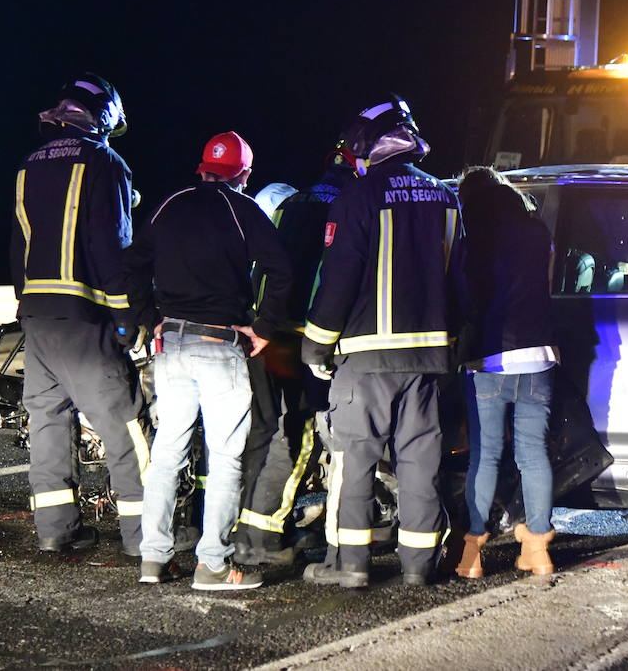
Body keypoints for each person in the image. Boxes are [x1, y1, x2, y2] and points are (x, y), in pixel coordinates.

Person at [299, 97, 465, 588]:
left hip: (366, 358)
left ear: (369, 144)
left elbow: (338, 278)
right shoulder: (446, 196)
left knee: (356, 459)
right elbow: (461, 282)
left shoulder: (358, 195)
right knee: (420, 460)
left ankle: (351, 566)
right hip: (429, 357)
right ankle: (418, 567)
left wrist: (315, 344)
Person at [124, 131, 293, 591]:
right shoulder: (245, 210)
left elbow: (131, 265)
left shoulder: (170, 203)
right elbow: (281, 270)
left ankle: (153, 559)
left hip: (173, 347)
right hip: (221, 347)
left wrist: (149, 318)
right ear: (245, 175)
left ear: (202, 167)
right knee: (224, 460)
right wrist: (263, 328)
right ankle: (213, 566)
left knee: (166, 456)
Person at [9, 73, 148, 557]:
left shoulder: (29, 163)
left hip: (37, 317)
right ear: (105, 115)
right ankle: (143, 538)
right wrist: (127, 312)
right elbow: (113, 244)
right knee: (123, 424)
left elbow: (18, 244)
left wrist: (25, 306)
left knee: (48, 422)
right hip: (85, 318)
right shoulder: (105, 161)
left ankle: (56, 530)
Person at [233, 160, 352, 568]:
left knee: (263, 431)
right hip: (306, 338)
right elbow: (339, 277)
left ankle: (244, 527)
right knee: (297, 436)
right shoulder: (350, 208)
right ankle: (264, 535)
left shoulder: (290, 205)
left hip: (265, 333)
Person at [450, 166, 559, 578]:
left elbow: (463, 296)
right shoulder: (537, 233)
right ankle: (537, 550)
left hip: (489, 359)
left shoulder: (471, 239)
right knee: (533, 454)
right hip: (539, 354)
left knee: (486, 456)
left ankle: (472, 554)